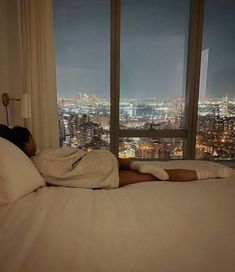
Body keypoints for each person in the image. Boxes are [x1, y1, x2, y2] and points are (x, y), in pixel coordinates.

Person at [1, 125, 230, 187]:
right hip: (98, 159)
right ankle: (136, 164)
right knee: (121, 161)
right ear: (27, 143)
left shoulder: (31, 168)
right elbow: (73, 152)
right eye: (32, 139)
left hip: (96, 175)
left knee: (161, 176)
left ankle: (209, 174)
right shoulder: (47, 153)